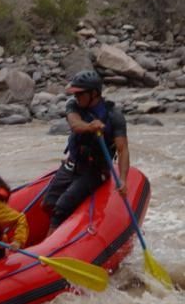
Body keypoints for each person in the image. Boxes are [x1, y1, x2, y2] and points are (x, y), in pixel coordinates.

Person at [42, 70, 129, 234]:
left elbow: (122, 149)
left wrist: (123, 180)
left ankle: (50, 249)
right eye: (75, 93)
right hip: (73, 164)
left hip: (96, 170)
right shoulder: (73, 105)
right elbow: (75, 124)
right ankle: (63, 229)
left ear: (94, 93)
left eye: (80, 93)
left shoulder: (113, 116)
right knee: (48, 203)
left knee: (61, 207)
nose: (76, 97)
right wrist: (90, 127)